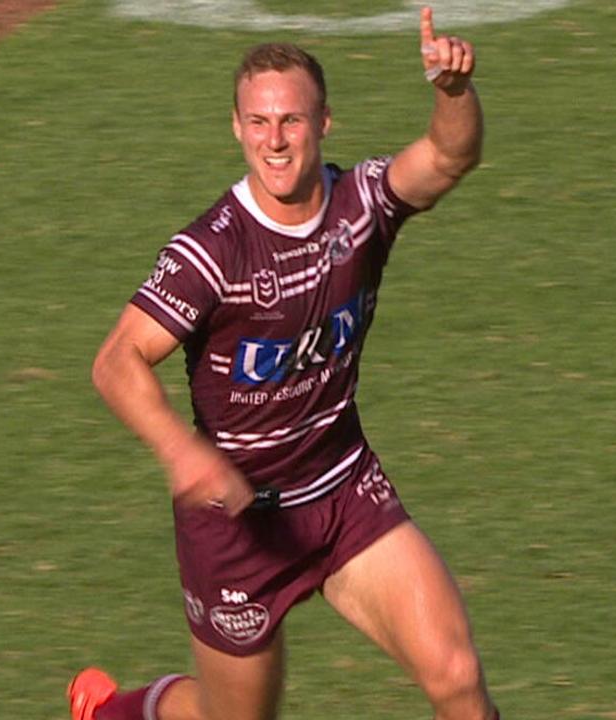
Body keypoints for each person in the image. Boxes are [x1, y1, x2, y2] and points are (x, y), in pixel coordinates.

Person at [70, 7, 494, 720]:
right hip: (238, 523)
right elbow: (117, 361)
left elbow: (450, 157)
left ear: (324, 122)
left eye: (291, 120)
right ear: (236, 127)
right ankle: (110, 713)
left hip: (341, 489)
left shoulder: (361, 207)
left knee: (456, 677)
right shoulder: (213, 250)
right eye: (259, 122)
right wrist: (182, 453)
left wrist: (451, 91)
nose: (275, 140)